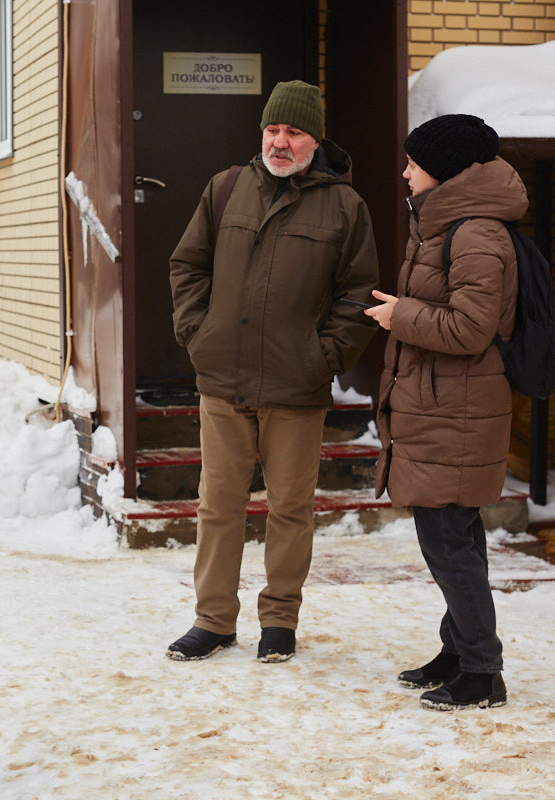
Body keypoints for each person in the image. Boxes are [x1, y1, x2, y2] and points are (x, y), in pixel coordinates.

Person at [166, 80, 379, 663]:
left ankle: (280, 620)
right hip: (224, 380)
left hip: (296, 386)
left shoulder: (346, 207)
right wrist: (198, 335)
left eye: (294, 132)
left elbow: (358, 294)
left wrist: (323, 357)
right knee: (218, 506)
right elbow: (187, 265)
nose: (280, 142)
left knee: (290, 509)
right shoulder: (226, 189)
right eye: (273, 129)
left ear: (317, 140)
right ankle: (213, 620)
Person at [364, 114, 524, 709]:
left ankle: (482, 673)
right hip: (444, 408)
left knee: (449, 546)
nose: (405, 173)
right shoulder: (445, 224)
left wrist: (398, 315)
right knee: (457, 539)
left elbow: (469, 329)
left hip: (456, 413)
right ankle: (457, 652)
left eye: (414, 163)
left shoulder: (475, 233)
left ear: (446, 169)